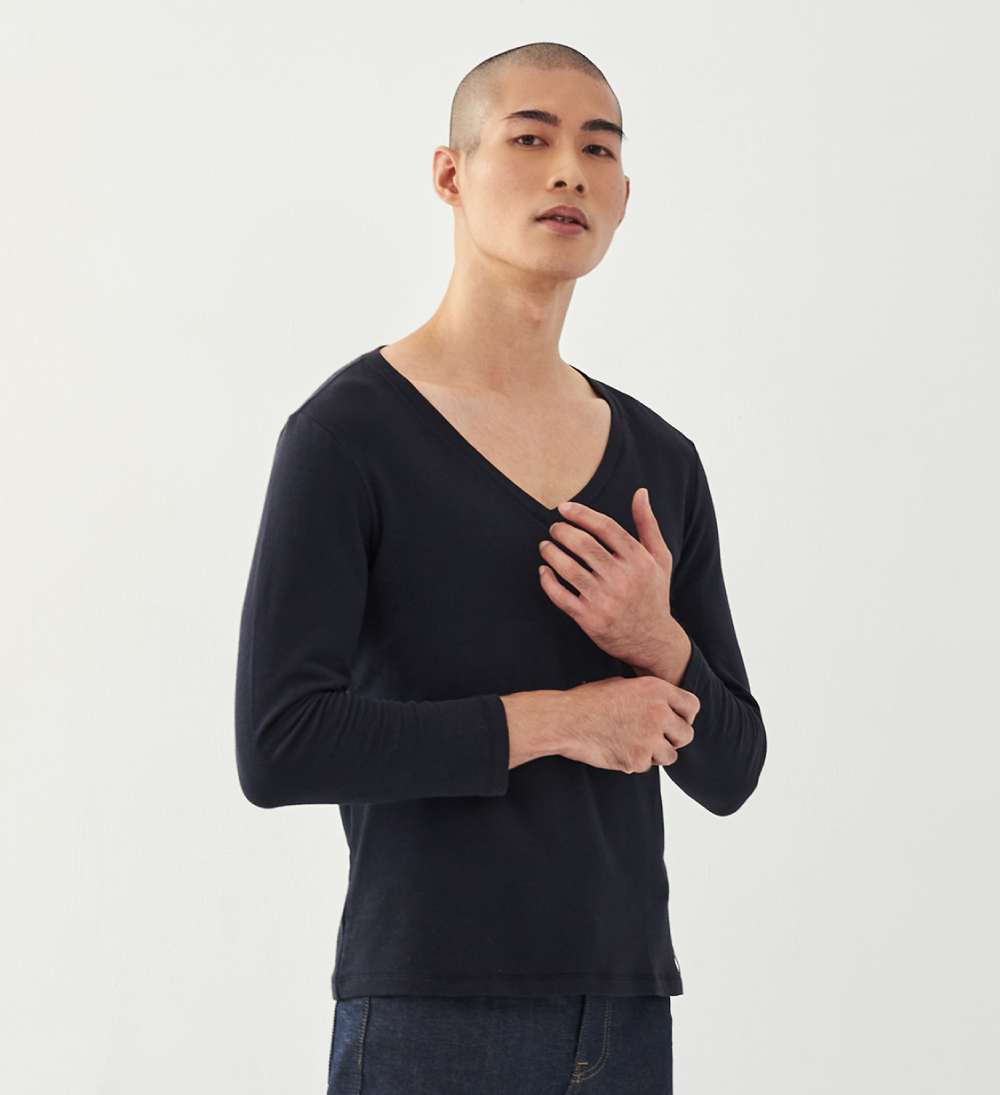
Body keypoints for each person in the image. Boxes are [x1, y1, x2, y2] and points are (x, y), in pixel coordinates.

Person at [235, 41, 766, 1095]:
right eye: (531, 137)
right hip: (433, 1010)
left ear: (623, 197)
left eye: (599, 149)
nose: (570, 169)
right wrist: (565, 719)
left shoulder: (662, 460)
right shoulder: (348, 436)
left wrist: (659, 643)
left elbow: (733, 768)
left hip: (623, 1013)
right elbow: (279, 744)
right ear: (451, 173)